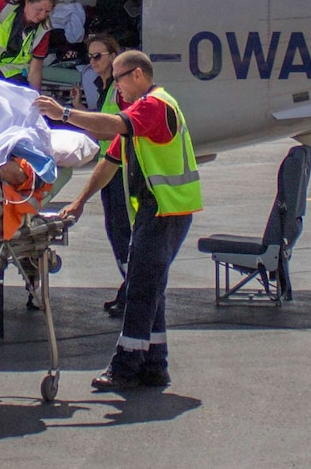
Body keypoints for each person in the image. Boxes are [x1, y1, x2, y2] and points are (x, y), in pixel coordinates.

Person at [32, 50, 202, 390]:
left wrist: (64, 113)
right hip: (161, 211)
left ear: (137, 75)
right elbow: (110, 162)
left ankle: (124, 367)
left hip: (165, 211)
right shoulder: (142, 114)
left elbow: (114, 126)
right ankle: (154, 365)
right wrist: (80, 202)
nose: (116, 86)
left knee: (140, 288)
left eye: (119, 78)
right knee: (151, 287)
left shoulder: (153, 106)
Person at [71, 34, 133, 318]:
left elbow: (111, 128)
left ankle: (133, 290)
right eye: (91, 57)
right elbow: (101, 119)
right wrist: (80, 110)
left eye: (99, 56)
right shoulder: (106, 88)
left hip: (119, 169)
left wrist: (69, 116)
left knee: (121, 230)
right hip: (112, 165)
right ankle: (129, 288)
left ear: (113, 56)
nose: (93, 62)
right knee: (116, 230)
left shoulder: (119, 90)